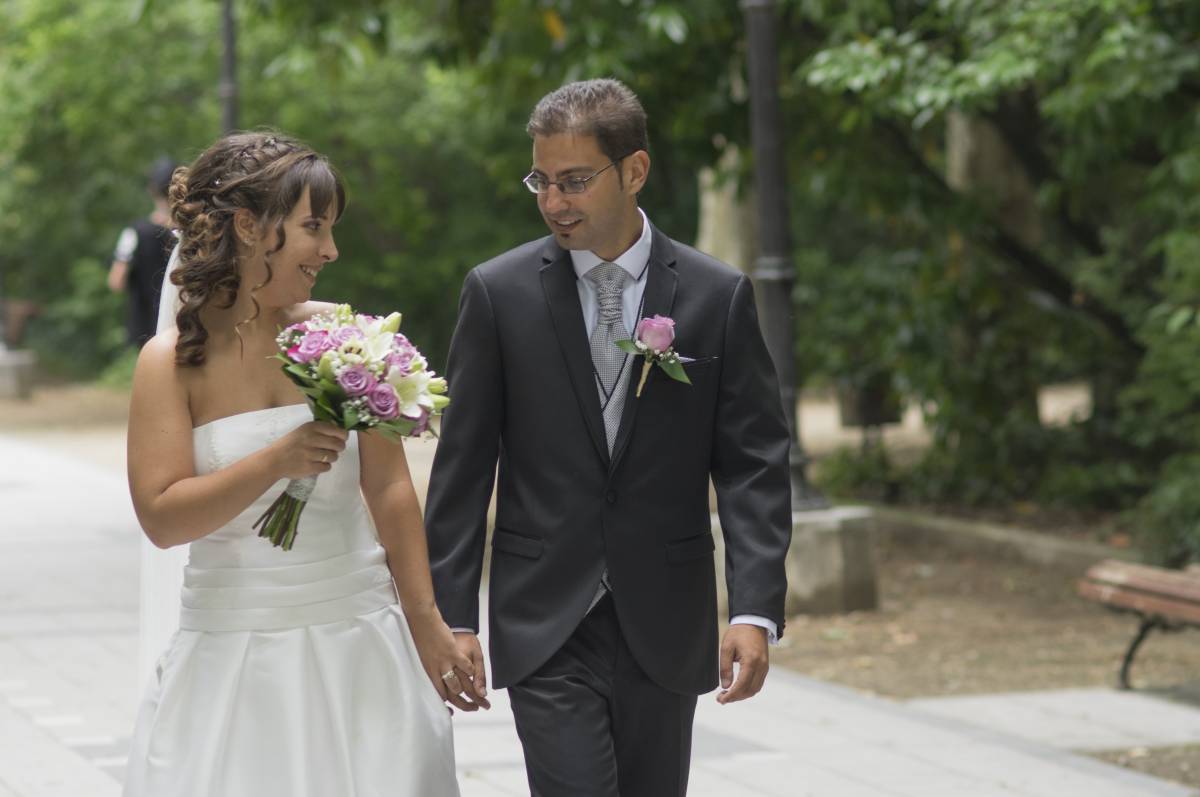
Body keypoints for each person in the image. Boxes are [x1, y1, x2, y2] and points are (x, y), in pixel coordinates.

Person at [425, 79, 793, 796]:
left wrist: (754, 607)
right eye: (542, 180)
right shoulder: (498, 294)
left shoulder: (717, 296)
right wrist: (454, 616)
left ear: (634, 171)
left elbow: (753, 464)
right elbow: (463, 469)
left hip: (666, 614)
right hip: (543, 616)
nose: (554, 201)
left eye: (574, 181)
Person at [122, 131, 475, 797]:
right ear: (251, 227)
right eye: (314, 226)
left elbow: (391, 488)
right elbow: (163, 518)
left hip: (358, 638)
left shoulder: (347, 339)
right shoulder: (169, 363)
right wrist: (274, 461)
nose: (331, 249)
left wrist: (428, 622)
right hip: (234, 652)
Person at [109, 157, 178, 348]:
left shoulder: (135, 232)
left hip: (148, 327)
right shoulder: (193, 230)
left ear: (151, 190)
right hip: (186, 324)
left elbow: (116, 281)